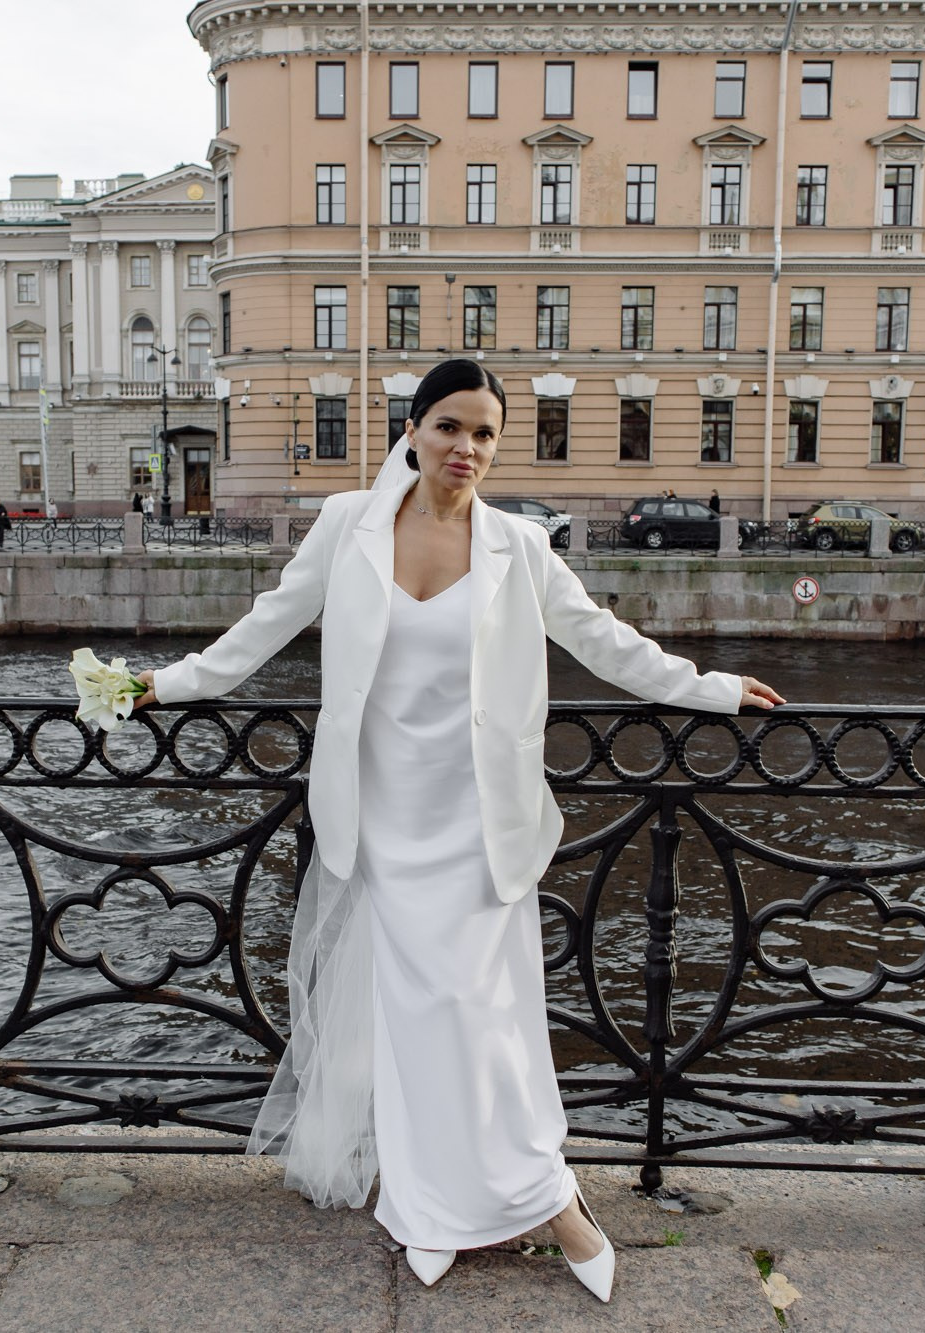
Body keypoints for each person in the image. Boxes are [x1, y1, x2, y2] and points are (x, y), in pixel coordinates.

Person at [131, 359, 781, 1302]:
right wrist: (165, 683)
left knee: (486, 1018)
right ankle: (433, 1206)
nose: (465, 448)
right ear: (412, 429)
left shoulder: (519, 543)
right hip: (385, 816)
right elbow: (263, 628)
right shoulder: (349, 524)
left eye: (483, 432)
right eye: (448, 427)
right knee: (417, 1023)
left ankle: (552, 1199)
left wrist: (711, 689)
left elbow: (604, 640)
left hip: (481, 820)